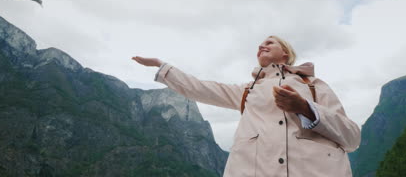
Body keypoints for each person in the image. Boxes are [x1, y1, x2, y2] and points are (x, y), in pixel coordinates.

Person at [132, 35, 361, 177]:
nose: (262, 46)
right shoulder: (246, 91)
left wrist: (305, 108)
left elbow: (351, 138)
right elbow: (199, 88)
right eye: (259, 45)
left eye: (269, 42)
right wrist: (163, 67)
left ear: (286, 53)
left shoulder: (314, 86)